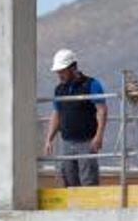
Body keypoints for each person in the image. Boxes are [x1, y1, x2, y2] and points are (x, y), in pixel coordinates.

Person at [42, 49, 108, 187]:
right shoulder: (59, 89)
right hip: (67, 142)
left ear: (73, 68)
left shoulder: (91, 84)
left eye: (62, 71)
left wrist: (99, 136)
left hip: (86, 141)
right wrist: (49, 139)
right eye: (58, 71)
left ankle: (90, 208)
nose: (59, 74)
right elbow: (56, 114)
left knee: (88, 180)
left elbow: (101, 110)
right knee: (68, 178)